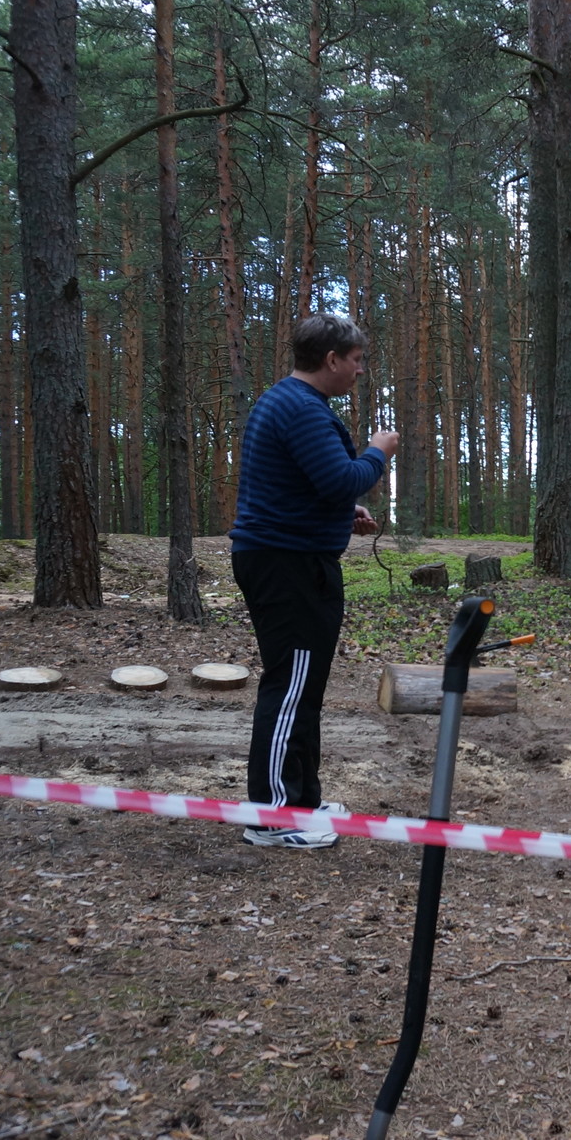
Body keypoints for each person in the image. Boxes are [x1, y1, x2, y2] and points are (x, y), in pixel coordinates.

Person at [228, 313, 398, 849]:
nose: (359, 370)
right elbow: (339, 478)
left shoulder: (289, 403)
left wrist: (341, 514)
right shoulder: (301, 409)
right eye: (355, 360)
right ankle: (274, 815)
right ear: (331, 359)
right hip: (288, 567)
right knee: (290, 688)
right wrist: (379, 452)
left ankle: (299, 799)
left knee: (302, 689)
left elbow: (302, 487)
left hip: (292, 558)